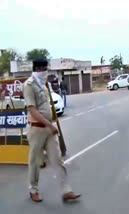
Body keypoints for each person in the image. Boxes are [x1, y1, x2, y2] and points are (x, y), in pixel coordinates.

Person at [23, 59, 81, 202]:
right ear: (36, 69)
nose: (45, 71)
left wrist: (52, 123)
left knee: (57, 159)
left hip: (49, 129)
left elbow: (48, 106)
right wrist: (49, 125)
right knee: (35, 162)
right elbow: (32, 109)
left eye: (46, 68)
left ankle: (67, 191)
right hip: (36, 129)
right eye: (42, 69)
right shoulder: (29, 85)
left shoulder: (44, 84)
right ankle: (33, 190)